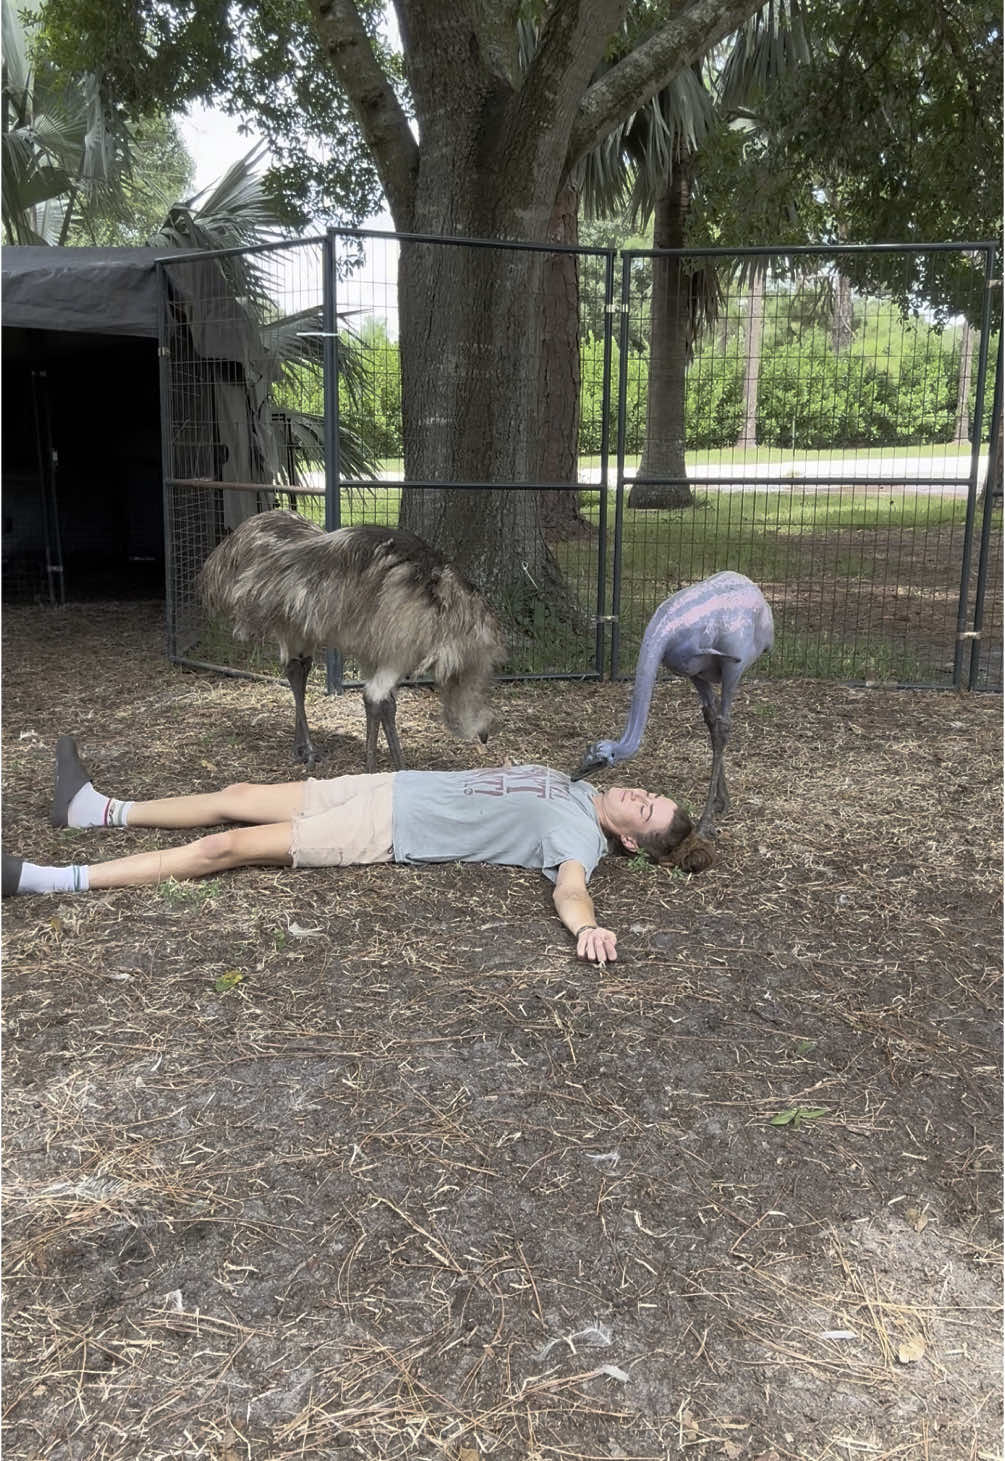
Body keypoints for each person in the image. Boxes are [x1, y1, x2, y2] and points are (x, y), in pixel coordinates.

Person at [2, 737, 695, 964]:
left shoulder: (579, 836)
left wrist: (588, 925)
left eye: (645, 808)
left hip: (384, 829)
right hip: (384, 784)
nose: (639, 793)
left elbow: (569, 886)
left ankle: (48, 879)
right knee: (238, 791)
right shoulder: (574, 787)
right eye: (649, 792)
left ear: (629, 840)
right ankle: (93, 809)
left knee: (227, 846)